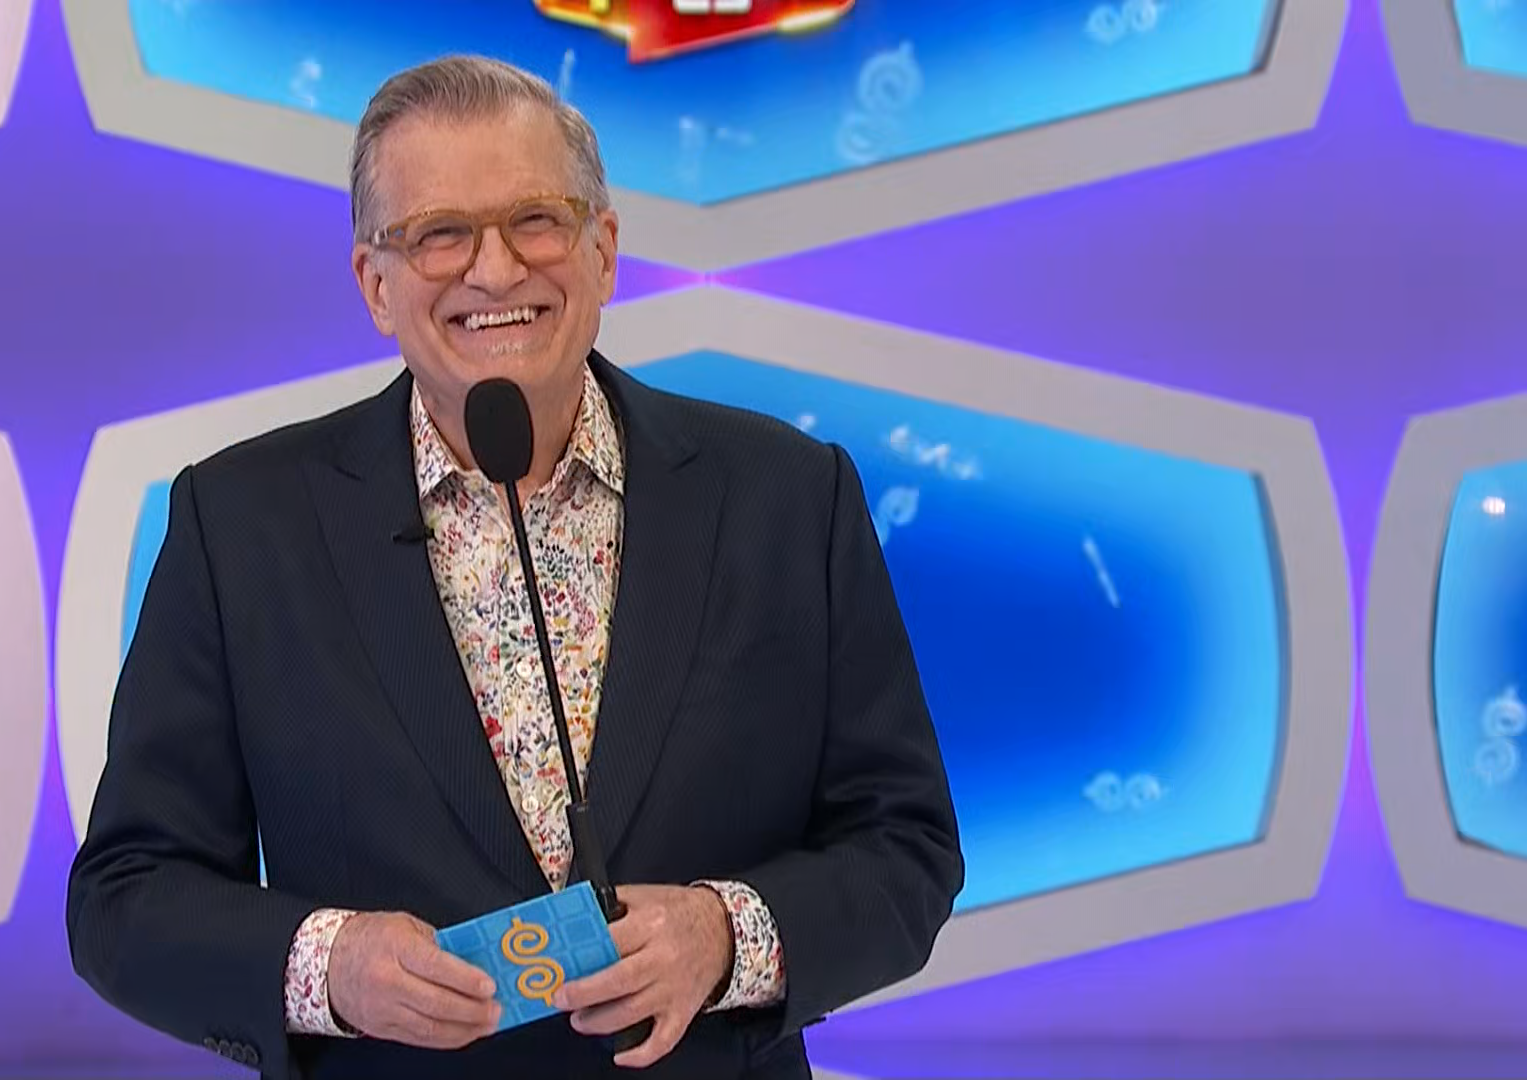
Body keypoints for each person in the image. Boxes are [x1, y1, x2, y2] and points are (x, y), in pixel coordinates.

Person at [67, 54, 963, 1080]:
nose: (494, 271)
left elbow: (906, 849)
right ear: (376, 285)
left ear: (603, 250)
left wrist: (726, 938)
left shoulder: (788, 498)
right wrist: (331, 966)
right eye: (439, 234)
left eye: (535, 220)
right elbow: (127, 898)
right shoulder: (240, 525)